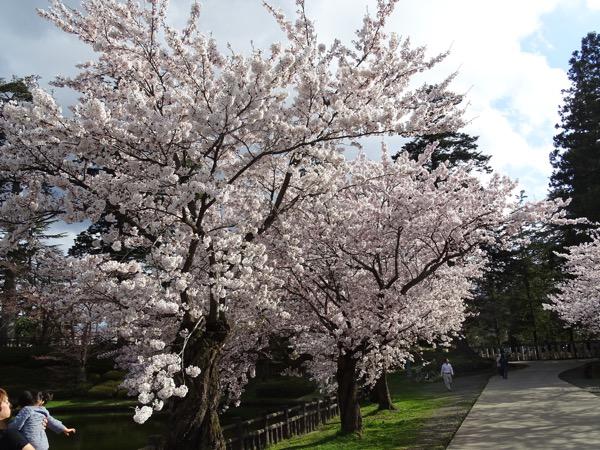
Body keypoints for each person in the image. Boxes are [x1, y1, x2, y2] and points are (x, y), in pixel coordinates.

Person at [8, 391, 75, 450]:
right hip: (43, 444)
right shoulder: (43, 410)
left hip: (30, 444)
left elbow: (16, 426)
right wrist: (64, 429)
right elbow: (52, 421)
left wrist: (7, 427)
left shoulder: (26, 410)